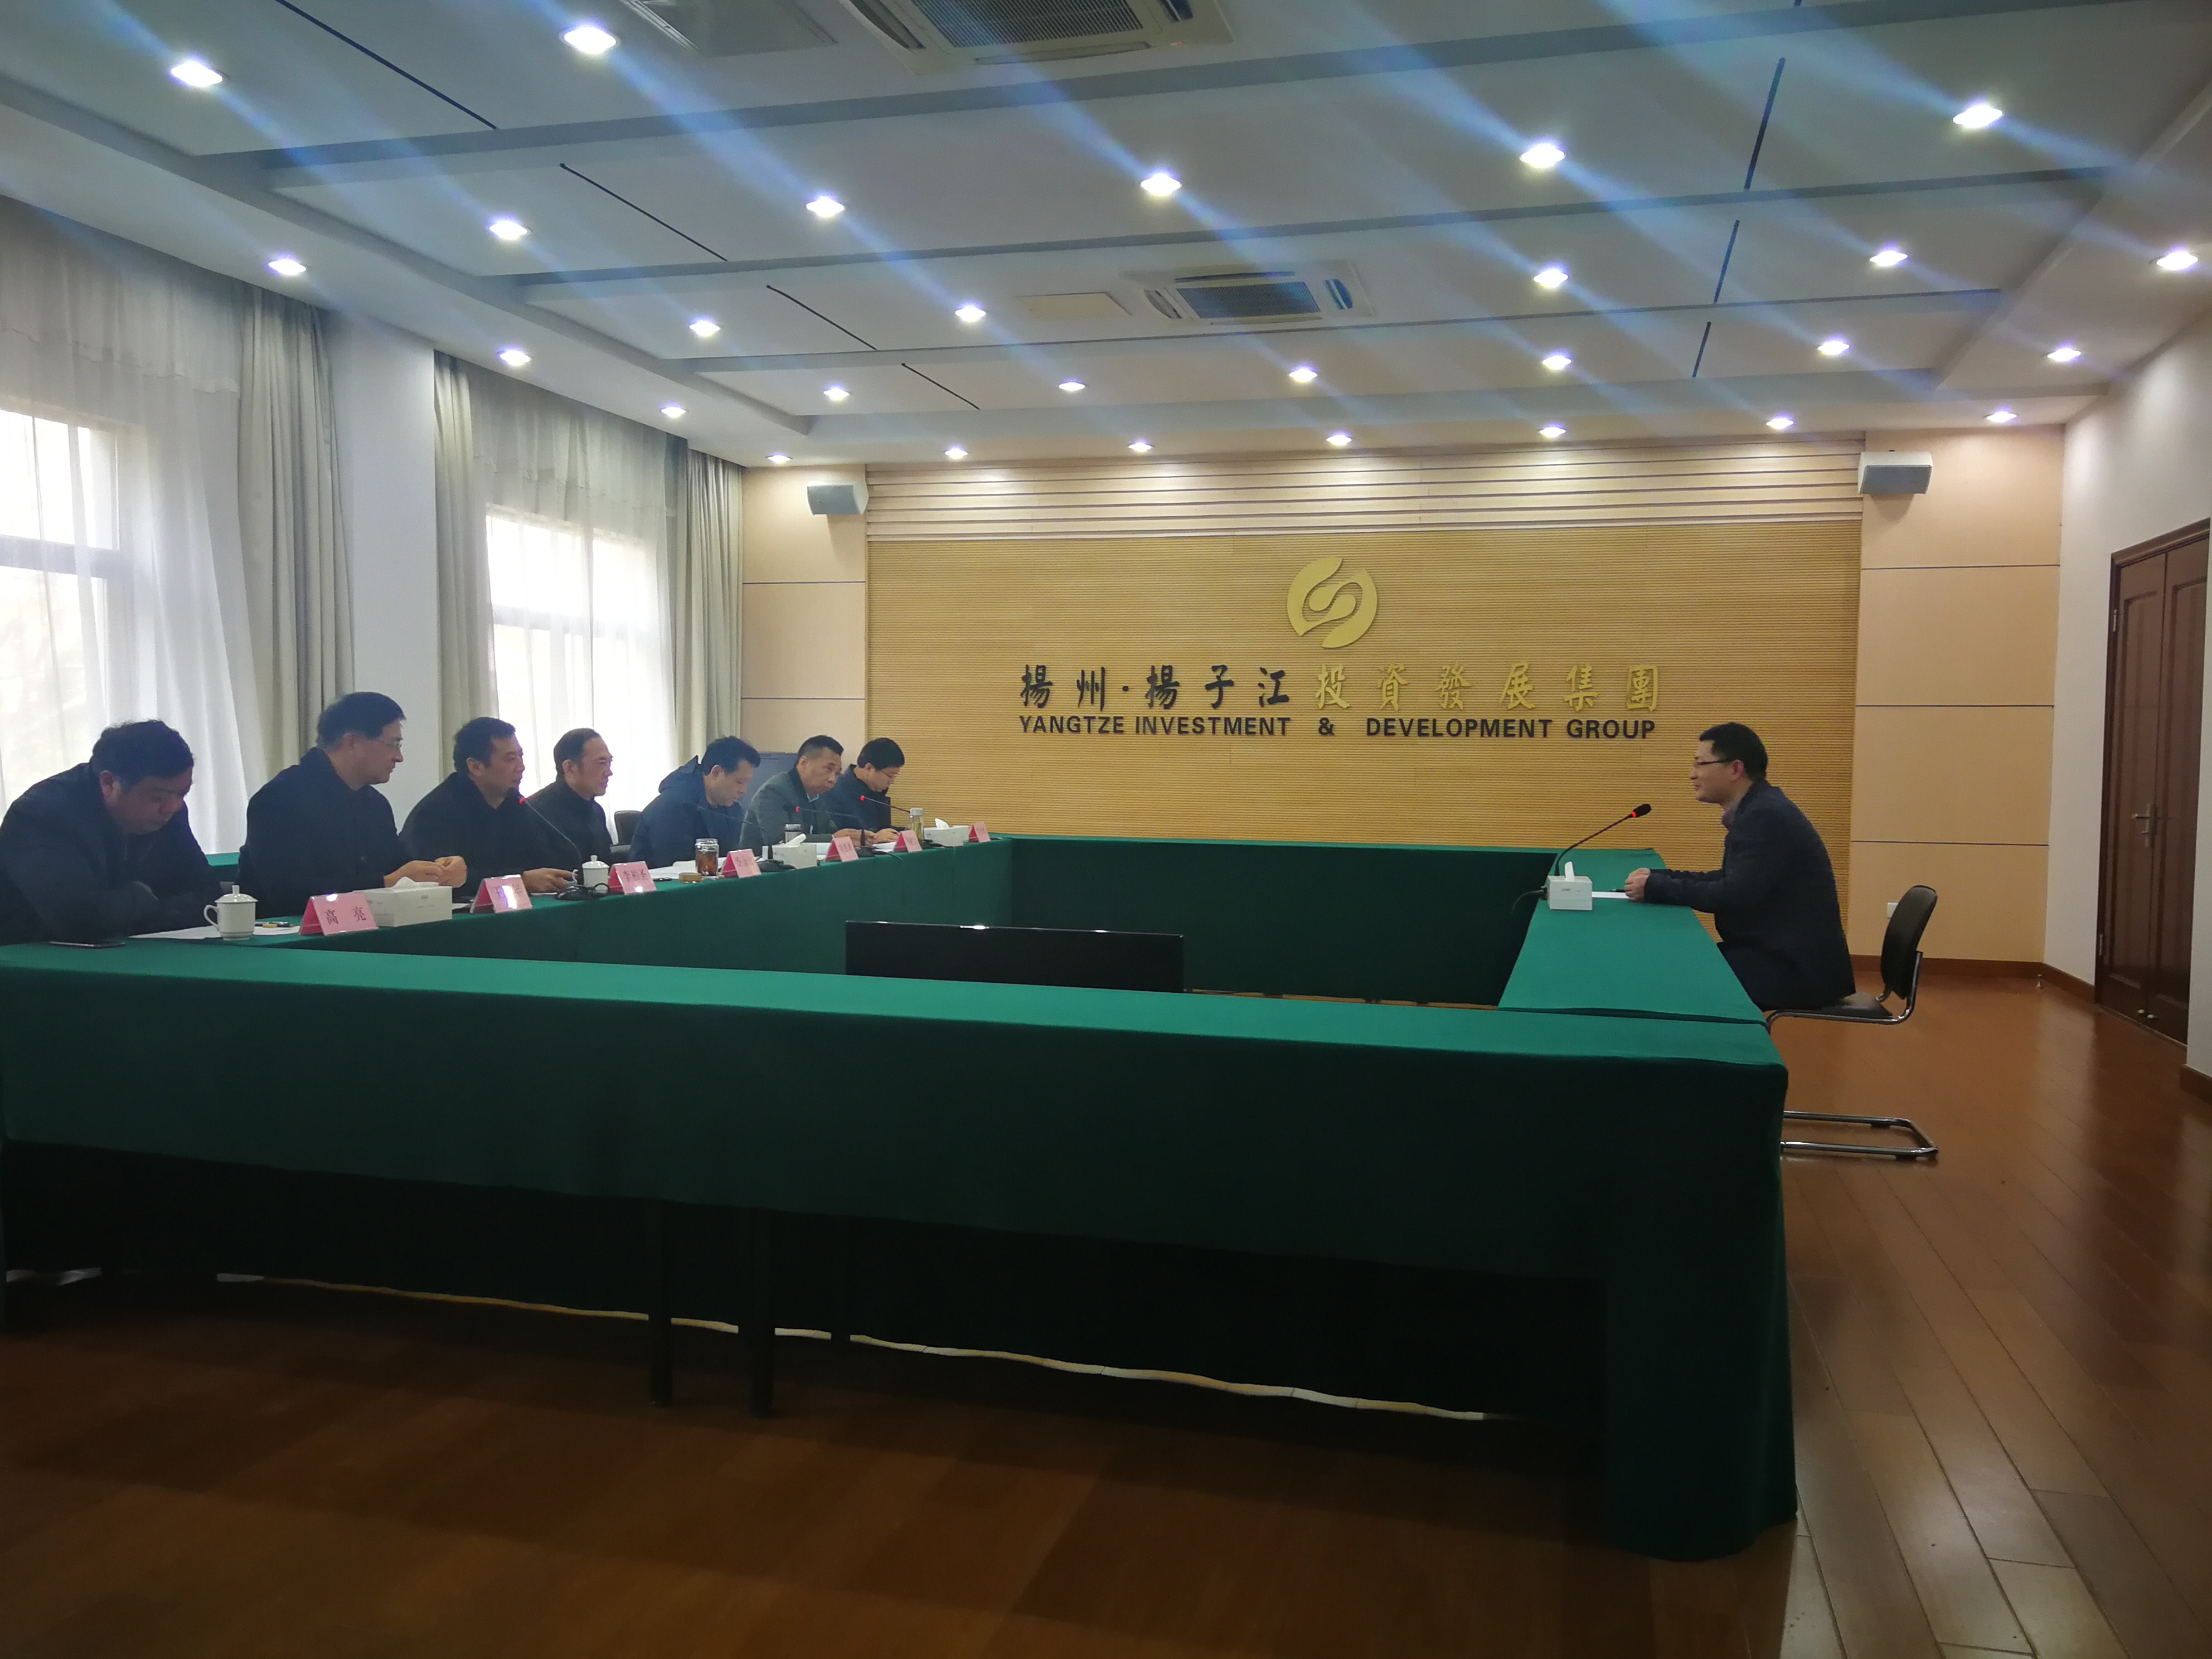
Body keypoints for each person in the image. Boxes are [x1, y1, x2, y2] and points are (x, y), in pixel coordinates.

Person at [1626, 722, 1855, 1012]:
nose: (1693, 774)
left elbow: (1735, 895)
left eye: (1700, 764)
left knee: (1674, 974)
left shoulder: (1764, 815)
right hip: (1774, 955)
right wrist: (1661, 877)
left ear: (1735, 769)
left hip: (1792, 969)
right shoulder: (1760, 807)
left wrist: (1658, 887)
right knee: (1677, 962)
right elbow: (1731, 880)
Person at [239, 692, 466, 916]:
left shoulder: (376, 805)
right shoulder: (279, 799)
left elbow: (398, 868)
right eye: (393, 744)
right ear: (352, 742)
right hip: (288, 935)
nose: (399, 757)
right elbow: (289, 893)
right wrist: (386, 883)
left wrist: (438, 873)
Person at [0, 720, 219, 944]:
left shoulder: (169, 809)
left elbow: (209, 894)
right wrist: (148, 900)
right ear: (109, 783)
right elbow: (81, 920)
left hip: (135, 949)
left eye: (183, 793)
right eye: (156, 798)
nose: (173, 807)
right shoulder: (41, 814)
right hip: (32, 958)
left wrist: (138, 906)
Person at [401, 717, 579, 896]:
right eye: (511, 759)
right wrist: (519, 881)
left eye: (521, 756)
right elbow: (444, 880)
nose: (521, 767)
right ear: (476, 766)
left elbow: (550, 858)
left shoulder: (514, 804)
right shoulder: (436, 813)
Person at [629, 736, 759, 869]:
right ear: (716, 772)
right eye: (739, 782)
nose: (744, 790)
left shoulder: (731, 808)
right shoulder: (673, 806)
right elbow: (677, 868)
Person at [740, 735, 864, 852]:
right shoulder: (774, 792)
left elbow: (829, 831)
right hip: (762, 865)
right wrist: (833, 838)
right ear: (804, 763)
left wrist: (857, 837)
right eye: (828, 769)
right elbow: (782, 842)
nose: (833, 779)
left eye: (837, 774)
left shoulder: (817, 795)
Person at [527, 727, 615, 864]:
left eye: (609, 763)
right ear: (570, 768)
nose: (609, 773)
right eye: (602, 763)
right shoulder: (536, 813)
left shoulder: (596, 811)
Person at [823, 737, 905, 846]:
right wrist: (874, 838)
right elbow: (834, 836)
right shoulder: (834, 791)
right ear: (869, 768)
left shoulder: (877, 791)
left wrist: (903, 833)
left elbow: (881, 829)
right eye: (890, 776)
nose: (892, 782)